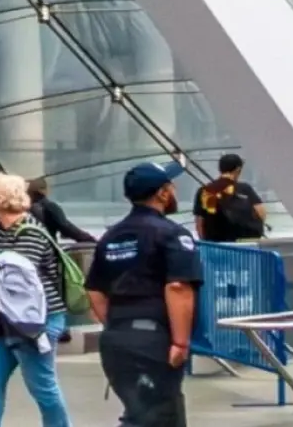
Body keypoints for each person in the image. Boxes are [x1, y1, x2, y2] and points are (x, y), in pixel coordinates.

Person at [87, 162, 201, 427]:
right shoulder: (172, 234)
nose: (175, 190)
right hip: (155, 341)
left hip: (116, 340)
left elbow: (94, 289)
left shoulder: (111, 236)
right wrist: (181, 343)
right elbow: (178, 287)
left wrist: (120, 326)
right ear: (162, 193)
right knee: (158, 415)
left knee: (143, 413)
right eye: (171, 185)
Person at [0, 174, 70, 427]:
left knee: (42, 386)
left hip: (34, 322)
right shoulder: (3, 233)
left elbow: (19, 277)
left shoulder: (30, 231)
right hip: (3, 319)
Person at [193, 153, 266, 242]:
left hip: (217, 244)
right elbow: (261, 212)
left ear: (220, 169)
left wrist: (205, 242)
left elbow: (199, 222)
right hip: (244, 243)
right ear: (238, 170)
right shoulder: (245, 189)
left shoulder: (203, 191)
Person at [26, 178, 97, 244]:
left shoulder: (24, 208)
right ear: (45, 190)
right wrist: (90, 240)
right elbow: (68, 228)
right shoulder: (49, 207)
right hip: (46, 249)